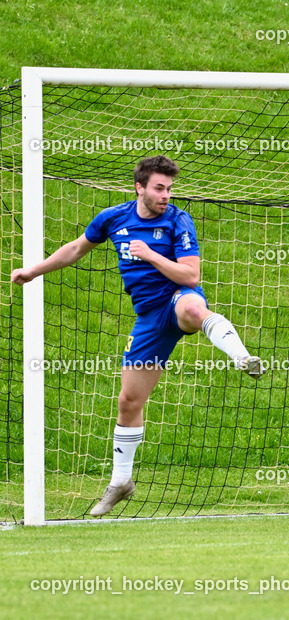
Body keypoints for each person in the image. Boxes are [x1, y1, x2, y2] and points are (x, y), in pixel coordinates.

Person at [10, 155, 264, 517]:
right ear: (139, 187)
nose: (166, 195)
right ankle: (121, 482)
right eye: (159, 188)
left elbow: (190, 277)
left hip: (176, 300)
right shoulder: (114, 218)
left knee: (193, 308)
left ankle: (242, 357)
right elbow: (75, 249)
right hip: (148, 319)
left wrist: (150, 256)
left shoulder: (178, 221)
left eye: (170, 189)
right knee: (129, 401)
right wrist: (34, 271)